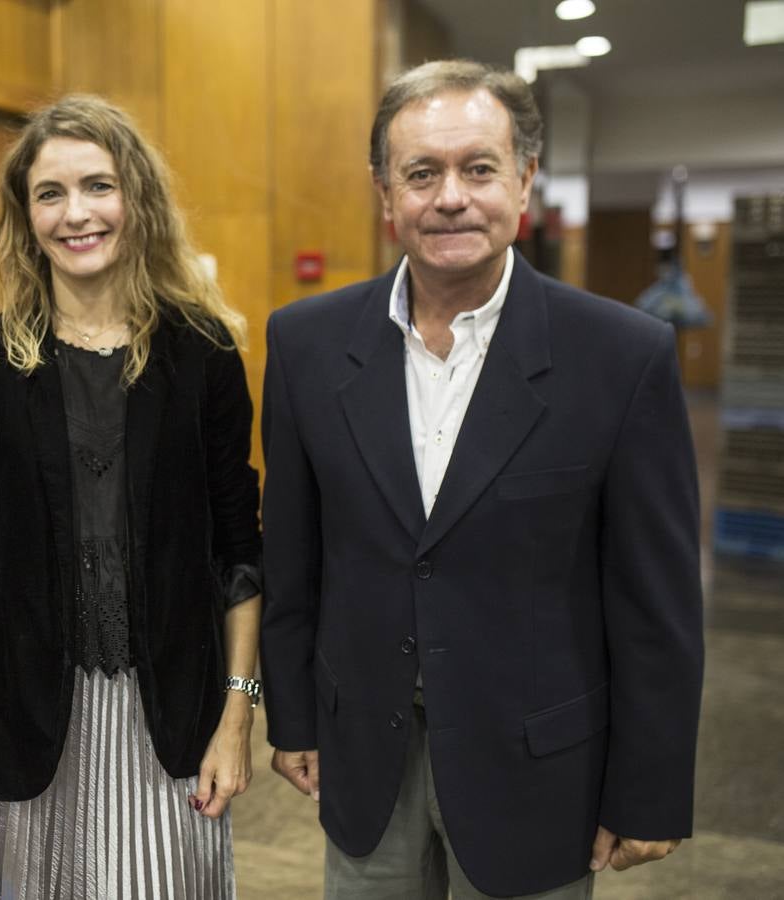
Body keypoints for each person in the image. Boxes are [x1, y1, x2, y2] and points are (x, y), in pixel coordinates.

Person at [261, 59, 704, 899]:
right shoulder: (307, 345)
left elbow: (657, 601)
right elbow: (294, 552)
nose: (450, 196)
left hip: (536, 767)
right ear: (385, 193)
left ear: (525, 180)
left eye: (478, 168)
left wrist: (650, 788)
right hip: (365, 757)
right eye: (421, 174)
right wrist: (290, 715)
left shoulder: (620, 356)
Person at [0, 94, 263, 899]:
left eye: (98, 186)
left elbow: (240, 556)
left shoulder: (204, 351)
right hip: (24, 719)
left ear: (136, 199)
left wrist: (237, 716)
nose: (76, 213)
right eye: (51, 193)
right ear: (26, 214)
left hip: (174, 715)